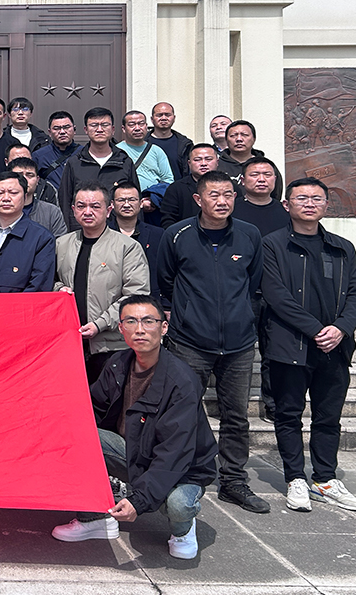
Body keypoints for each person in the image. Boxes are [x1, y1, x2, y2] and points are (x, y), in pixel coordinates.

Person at [51, 295, 217, 561]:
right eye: (131, 321)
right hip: (133, 452)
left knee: (178, 505)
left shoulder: (182, 381)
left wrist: (139, 501)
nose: (139, 329)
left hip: (183, 467)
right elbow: (89, 410)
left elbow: (175, 453)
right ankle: (95, 519)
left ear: (163, 327)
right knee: (74, 433)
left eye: (148, 321)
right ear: (121, 328)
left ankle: (183, 530)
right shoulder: (117, 364)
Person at [159, 170, 268, 514]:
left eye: (228, 195)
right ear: (198, 199)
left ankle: (233, 480)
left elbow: (254, 283)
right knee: (183, 412)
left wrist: (241, 316)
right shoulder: (177, 235)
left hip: (238, 343)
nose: (222, 201)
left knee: (236, 416)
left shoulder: (249, 235)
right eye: (214, 195)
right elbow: (165, 282)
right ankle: (186, 475)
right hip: (189, 341)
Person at [262, 177, 356, 513]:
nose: (309, 203)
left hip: (334, 348)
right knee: (288, 415)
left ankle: (325, 479)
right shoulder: (272, 245)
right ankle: (295, 478)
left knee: (328, 417)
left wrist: (341, 329)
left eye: (316, 198)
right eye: (302, 198)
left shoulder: (341, 247)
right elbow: (276, 295)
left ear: (326, 205)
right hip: (290, 345)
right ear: (286, 205)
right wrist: (316, 329)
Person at [55, 183, 150, 382]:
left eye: (95, 206)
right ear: (73, 210)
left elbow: (135, 295)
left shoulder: (127, 247)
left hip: (112, 345)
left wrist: (100, 324)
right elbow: (50, 281)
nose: (87, 212)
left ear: (108, 210)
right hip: (69, 342)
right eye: (81, 206)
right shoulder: (62, 244)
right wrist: (59, 288)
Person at [234, 157, 290, 422]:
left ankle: (273, 404)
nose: (261, 179)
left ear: (275, 180)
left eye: (267, 174)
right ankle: (234, 405)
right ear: (243, 180)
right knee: (238, 352)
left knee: (274, 352)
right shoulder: (232, 211)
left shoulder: (286, 213)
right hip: (242, 293)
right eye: (255, 174)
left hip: (277, 294)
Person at [0, 171, 55, 293]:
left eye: (13, 193)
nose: (6, 198)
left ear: (25, 197)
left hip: (23, 305)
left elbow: (39, 286)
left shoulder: (42, 238)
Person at [57, 107, 137, 231]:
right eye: (94, 125)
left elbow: (135, 199)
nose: (99, 129)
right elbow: (65, 201)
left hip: (119, 231)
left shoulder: (124, 161)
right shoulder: (75, 163)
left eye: (104, 125)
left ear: (113, 129)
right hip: (82, 231)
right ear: (86, 130)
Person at [110, 180, 168, 309]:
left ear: (141, 203)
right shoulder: (104, 234)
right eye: (121, 200)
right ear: (112, 204)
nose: (126, 204)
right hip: (112, 305)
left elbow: (166, 271)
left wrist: (166, 305)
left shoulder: (158, 234)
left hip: (151, 303)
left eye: (132, 200)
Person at [0, 158, 68, 238]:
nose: (24, 179)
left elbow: (60, 243)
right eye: (19, 175)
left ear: (37, 180)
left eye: (30, 175)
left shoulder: (51, 212)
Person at [116, 110, 173, 218]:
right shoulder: (116, 151)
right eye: (132, 124)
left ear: (146, 126)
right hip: (124, 205)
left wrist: (153, 198)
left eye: (141, 124)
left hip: (152, 207)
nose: (137, 128)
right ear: (123, 128)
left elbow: (168, 180)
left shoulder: (157, 151)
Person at [159, 144, 219, 229]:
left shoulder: (229, 187)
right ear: (189, 163)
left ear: (217, 162)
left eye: (208, 159)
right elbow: (168, 220)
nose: (203, 163)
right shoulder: (176, 189)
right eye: (197, 160)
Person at [32, 110, 80, 193]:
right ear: (50, 132)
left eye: (66, 127)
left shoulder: (84, 153)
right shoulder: (39, 156)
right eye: (56, 128)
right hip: (51, 199)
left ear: (74, 130)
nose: (62, 132)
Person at [146, 102, 193, 182]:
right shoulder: (142, 143)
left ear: (174, 118)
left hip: (178, 188)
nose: (164, 118)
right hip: (149, 189)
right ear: (152, 119)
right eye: (159, 115)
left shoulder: (185, 144)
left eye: (167, 115)